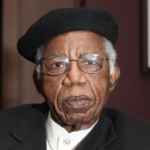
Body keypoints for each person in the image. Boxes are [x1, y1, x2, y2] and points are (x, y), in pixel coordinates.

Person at [0, 7, 150, 150]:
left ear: (112, 76)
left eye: (90, 62)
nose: (74, 77)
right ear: (38, 80)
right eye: (58, 64)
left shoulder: (143, 140)